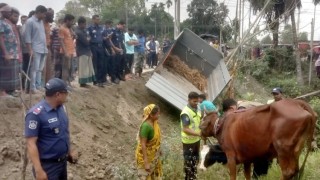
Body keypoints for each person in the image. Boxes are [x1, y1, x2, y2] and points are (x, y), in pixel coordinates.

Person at [24, 78, 77, 180]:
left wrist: (68, 151)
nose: (67, 96)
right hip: (47, 167)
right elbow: (31, 144)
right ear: (57, 95)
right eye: (65, 93)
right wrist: (39, 170)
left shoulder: (61, 108)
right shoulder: (35, 114)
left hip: (62, 164)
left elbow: (64, 133)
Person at [24, 5, 48, 94]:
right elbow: (27, 37)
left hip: (43, 48)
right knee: (34, 69)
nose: (44, 16)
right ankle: (32, 88)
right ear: (38, 12)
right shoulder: (30, 21)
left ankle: (38, 86)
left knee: (40, 69)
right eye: (43, 14)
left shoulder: (41, 22)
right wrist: (30, 50)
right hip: (35, 49)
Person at [135, 104, 162, 179]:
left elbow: (157, 139)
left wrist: (159, 150)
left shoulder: (154, 123)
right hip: (145, 157)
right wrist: (146, 163)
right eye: (157, 114)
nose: (159, 115)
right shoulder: (145, 127)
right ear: (151, 115)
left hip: (154, 156)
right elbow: (143, 144)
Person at [0, 5, 22, 97]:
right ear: (3, 12)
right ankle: (2, 92)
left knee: (11, 73)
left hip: (12, 52)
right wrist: (6, 53)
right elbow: (0, 38)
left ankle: (10, 91)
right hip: (6, 52)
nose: (9, 14)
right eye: (8, 12)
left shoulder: (6, 22)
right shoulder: (1, 22)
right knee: (4, 73)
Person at [180, 92, 202, 180]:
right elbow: (185, 129)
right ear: (188, 100)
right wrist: (199, 133)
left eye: (197, 101)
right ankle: (188, 178)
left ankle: (193, 177)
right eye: (194, 101)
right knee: (188, 163)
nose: (196, 103)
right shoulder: (185, 113)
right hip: (188, 142)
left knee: (195, 161)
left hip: (196, 141)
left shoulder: (197, 109)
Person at [75, 16, 96, 87]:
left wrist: (88, 39)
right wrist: (88, 39)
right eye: (84, 24)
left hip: (87, 51)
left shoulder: (83, 30)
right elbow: (86, 42)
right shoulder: (78, 32)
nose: (85, 25)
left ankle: (86, 82)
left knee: (87, 68)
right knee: (83, 68)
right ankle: (82, 83)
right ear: (80, 24)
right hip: (81, 52)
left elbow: (88, 38)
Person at [88, 15, 107, 87]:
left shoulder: (102, 28)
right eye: (97, 19)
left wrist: (106, 38)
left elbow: (103, 37)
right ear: (93, 20)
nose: (98, 21)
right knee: (94, 64)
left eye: (99, 19)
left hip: (101, 47)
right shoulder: (90, 28)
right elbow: (88, 39)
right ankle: (95, 80)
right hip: (93, 47)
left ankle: (100, 80)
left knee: (101, 64)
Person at [59, 14, 75, 87]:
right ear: (67, 20)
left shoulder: (68, 29)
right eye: (71, 21)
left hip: (71, 51)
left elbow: (74, 37)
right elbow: (61, 41)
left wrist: (71, 30)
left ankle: (68, 83)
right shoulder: (62, 29)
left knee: (69, 68)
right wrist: (65, 52)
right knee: (65, 68)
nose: (72, 23)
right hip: (66, 52)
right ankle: (64, 85)